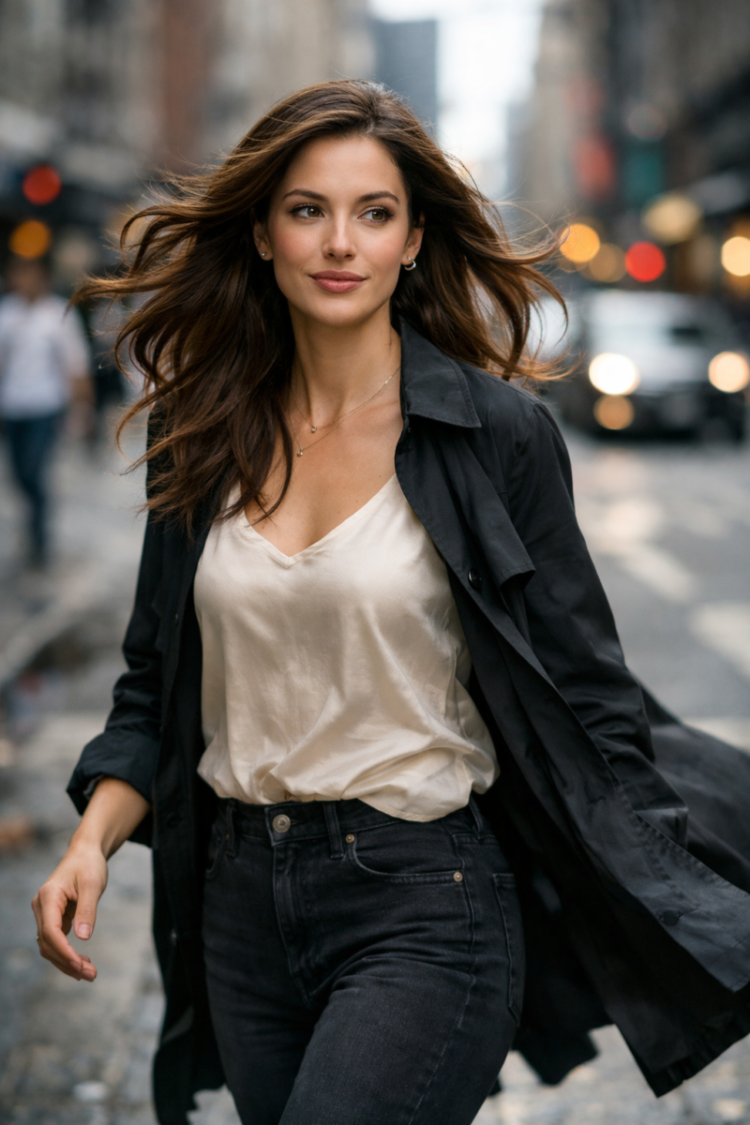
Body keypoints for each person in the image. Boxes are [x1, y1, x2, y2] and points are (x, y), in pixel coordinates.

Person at [32, 81, 750, 1125]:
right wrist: (88, 845)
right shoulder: (203, 433)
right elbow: (153, 685)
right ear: (265, 233)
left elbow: (591, 695)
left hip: (426, 901)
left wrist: (675, 888)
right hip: (238, 907)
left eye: (374, 213)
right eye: (307, 209)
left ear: (414, 239)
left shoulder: (495, 435)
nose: (341, 242)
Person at [0, 256, 91, 566]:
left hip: (45, 407)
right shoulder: (7, 313)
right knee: (18, 473)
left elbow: (76, 364)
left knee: (34, 471)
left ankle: (40, 537)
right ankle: (33, 522)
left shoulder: (58, 314)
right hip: (13, 405)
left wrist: (82, 409)